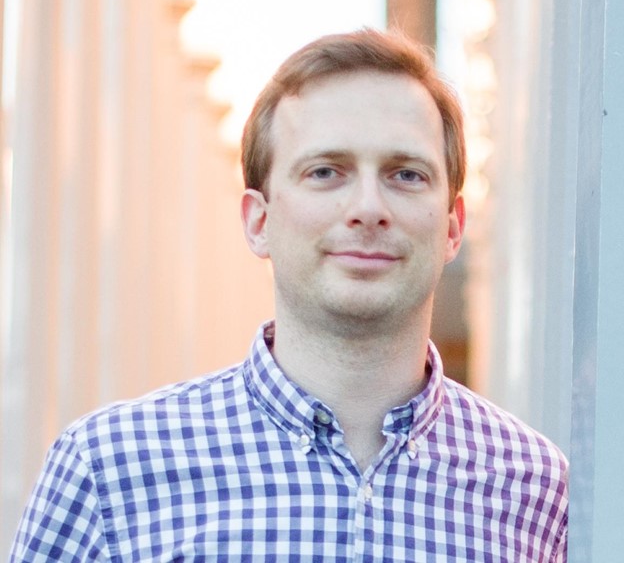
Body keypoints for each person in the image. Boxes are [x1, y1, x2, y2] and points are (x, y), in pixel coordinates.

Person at [10, 29, 568, 561]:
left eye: (406, 175)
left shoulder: (540, 492)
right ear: (258, 222)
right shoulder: (110, 472)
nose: (368, 208)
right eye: (325, 172)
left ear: (452, 226)